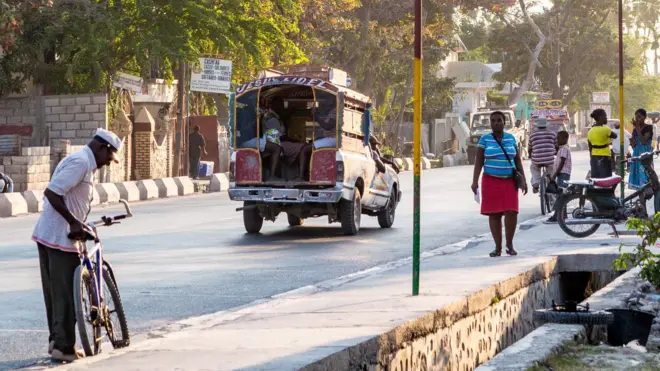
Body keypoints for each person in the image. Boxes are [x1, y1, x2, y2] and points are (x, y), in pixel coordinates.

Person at [31, 128, 121, 362]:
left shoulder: (81, 161)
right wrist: (73, 222)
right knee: (65, 295)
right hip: (61, 237)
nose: (108, 164)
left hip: (52, 234)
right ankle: (64, 348)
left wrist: (81, 222)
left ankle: (56, 342)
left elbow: (72, 197)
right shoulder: (81, 162)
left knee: (56, 294)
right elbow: (52, 193)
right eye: (109, 158)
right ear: (102, 148)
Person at [471, 111, 528, 257]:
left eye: (499, 120)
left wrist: (524, 180)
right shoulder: (484, 139)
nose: (496, 123)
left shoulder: (511, 139)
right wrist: (474, 181)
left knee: (511, 212)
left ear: (504, 122)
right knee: (495, 214)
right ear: (490, 123)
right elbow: (478, 162)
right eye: (493, 121)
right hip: (491, 180)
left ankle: (509, 245)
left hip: (509, 181)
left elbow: (517, 161)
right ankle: (498, 247)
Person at [546, 131, 572, 223]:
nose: (557, 140)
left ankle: (557, 215)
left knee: (561, 195)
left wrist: (555, 174)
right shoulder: (561, 149)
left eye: (559, 138)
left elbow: (562, 162)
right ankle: (562, 215)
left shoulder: (564, 149)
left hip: (563, 174)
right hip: (562, 174)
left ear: (565, 139)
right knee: (561, 195)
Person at [528, 118, 556, 194]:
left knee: (534, 168)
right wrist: (555, 152)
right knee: (551, 170)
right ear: (546, 126)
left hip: (537, 159)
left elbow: (530, 148)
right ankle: (550, 182)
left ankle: (536, 183)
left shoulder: (532, 135)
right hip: (549, 159)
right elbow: (556, 145)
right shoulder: (552, 134)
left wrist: (530, 155)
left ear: (537, 126)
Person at [587, 109, 617, 178]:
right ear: (600, 117)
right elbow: (615, 136)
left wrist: (591, 159)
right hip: (605, 156)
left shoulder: (590, 131)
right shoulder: (606, 129)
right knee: (606, 178)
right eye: (605, 116)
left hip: (594, 157)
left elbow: (590, 147)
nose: (606, 118)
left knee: (596, 178)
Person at [629, 108, 654, 189]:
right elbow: (634, 145)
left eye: (639, 117)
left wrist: (637, 128)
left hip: (645, 157)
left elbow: (644, 142)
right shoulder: (635, 130)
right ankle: (642, 201)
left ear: (644, 117)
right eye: (636, 117)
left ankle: (646, 197)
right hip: (636, 156)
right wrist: (632, 142)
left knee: (645, 178)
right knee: (637, 183)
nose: (637, 119)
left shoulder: (648, 128)